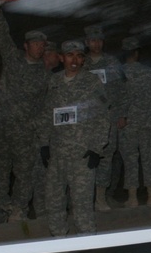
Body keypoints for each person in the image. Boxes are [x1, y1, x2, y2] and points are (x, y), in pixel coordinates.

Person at [39, 40, 110, 236]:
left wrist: (97, 148)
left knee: (82, 200)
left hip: (82, 152)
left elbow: (103, 117)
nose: (74, 60)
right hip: (57, 152)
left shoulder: (92, 82)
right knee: (54, 199)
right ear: (62, 58)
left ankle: (86, 238)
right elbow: (47, 114)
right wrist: (43, 143)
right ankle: (59, 238)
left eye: (79, 56)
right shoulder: (54, 82)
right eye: (70, 55)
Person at [0, 0, 50, 221]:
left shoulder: (44, 76)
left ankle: (19, 209)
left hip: (25, 133)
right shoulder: (13, 59)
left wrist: (34, 126)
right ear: (26, 46)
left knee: (24, 173)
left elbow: (46, 107)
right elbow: (1, 36)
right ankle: (1, 209)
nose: (39, 47)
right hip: (1, 127)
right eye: (34, 43)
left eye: (42, 45)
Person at [116, 36, 151, 207]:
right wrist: (149, 112)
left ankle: (133, 197)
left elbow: (115, 99)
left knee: (130, 160)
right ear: (136, 53)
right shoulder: (150, 73)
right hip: (148, 121)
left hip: (127, 123)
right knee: (149, 159)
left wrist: (122, 115)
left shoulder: (119, 73)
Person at [84, 24, 126, 211]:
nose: (97, 44)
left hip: (109, 118)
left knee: (107, 158)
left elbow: (122, 90)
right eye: (93, 40)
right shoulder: (81, 63)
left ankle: (100, 197)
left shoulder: (112, 63)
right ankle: (84, 198)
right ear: (87, 42)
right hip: (86, 120)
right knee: (84, 159)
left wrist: (121, 114)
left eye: (99, 40)